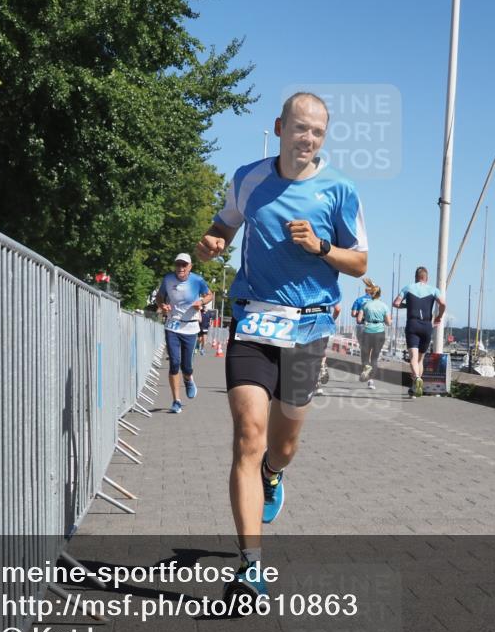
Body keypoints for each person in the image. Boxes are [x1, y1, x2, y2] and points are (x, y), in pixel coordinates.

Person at [195, 92, 367, 600]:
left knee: (282, 446)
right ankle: (250, 566)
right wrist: (212, 243)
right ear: (279, 127)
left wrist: (321, 247)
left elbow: (360, 262)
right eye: (299, 127)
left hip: (309, 329)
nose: (307, 138)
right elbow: (223, 226)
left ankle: (273, 474)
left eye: (317, 131)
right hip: (252, 319)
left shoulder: (339, 189)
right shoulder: (248, 178)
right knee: (248, 436)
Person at [156, 253, 213, 414]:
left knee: (186, 366)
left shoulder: (197, 280)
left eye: (184, 265)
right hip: (172, 325)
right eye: (178, 264)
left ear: (190, 266)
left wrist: (201, 302)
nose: (180, 268)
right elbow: (160, 296)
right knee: (174, 362)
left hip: (190, 327)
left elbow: (209, 295)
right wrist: (162, 305)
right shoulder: (168, 279)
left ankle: (188, 379)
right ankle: (176, 401)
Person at [393, 266, 445, 398]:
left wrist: (407, 305)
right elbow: (443, 304)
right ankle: (414, 388)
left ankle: (416, 378)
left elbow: (396, 303)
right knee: (420, 360)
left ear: (416, 277)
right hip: (427, 326)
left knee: (413, 358)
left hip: (413, 324)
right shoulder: (434, 290)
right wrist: (439, 316)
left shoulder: (408, 288)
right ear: (426, 278)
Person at [356, 286, 391, 389]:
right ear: (380, 294)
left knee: (365, 355)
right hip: (380, 333)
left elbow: (359, 320)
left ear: (371, 294)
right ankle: (371, 381)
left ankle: (366, 368)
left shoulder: (365, 305)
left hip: (368, 332)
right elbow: (388, 323)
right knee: (375, 358)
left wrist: (366, 318)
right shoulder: (384, 306)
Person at [314, 302, 341, 396]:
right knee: (322, 350)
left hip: (310, 324)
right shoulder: (328, 294)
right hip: (325, 324)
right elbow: (337, 309)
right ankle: (322, 365)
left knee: (311, 355)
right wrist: (331, 320)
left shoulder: (307, 293)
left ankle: (316, 384)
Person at [350, 278, 376, 369]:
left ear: (365, 290)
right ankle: (370, 365)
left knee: (363, 347)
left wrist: (361, 313)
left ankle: (365, 366)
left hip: (361, 325)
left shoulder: (359, 300)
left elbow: (353, 314)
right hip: (372, 326)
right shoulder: (375, 301)